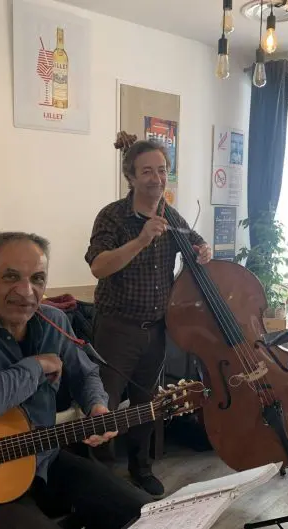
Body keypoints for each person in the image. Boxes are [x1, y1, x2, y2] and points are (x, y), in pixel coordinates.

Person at [0, 232, 151, 529]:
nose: (26, 291)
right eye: (10, 276)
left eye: (37, 279)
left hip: (43, 458)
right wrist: (36, 365)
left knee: (146, 514)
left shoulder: (53, 321)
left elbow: (85, 373)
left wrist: (96, 405)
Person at [84, 132, 211, 498]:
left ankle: (141, 468)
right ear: (131, 177)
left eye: (162, 170)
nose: (157, 178)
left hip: (155, 329)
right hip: (116, 329)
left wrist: (203, 249)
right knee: (105, 405)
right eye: (147, 171)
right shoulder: (112, 216)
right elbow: (98, 266)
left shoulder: (170, 215)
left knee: (146, 403)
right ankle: (100, 477)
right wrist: (141, 240)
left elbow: (195, 242)